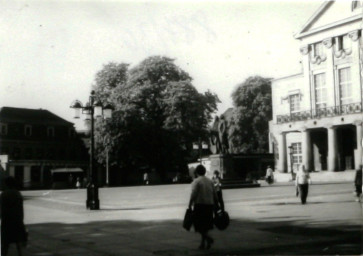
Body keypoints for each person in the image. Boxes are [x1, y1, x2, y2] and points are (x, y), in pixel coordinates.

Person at [188, 165, 219, 250]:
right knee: (206, 225)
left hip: (199, 205)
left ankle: (208, 238)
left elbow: (193, 194)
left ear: (196, 172)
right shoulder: (210, 181)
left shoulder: (196, 181)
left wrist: (190, 204)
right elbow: (215, 194)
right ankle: (203, 244)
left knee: (198, 225)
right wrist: (217, 204)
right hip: (210, 205)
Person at [1, 176, 27, 256]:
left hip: (7, 221)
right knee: (19, 242)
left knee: (5, 244)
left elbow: (2, 209)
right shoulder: (17, 193)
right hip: (17, 220)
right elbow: (20, 209)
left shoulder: (4, 194)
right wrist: (21, 220)